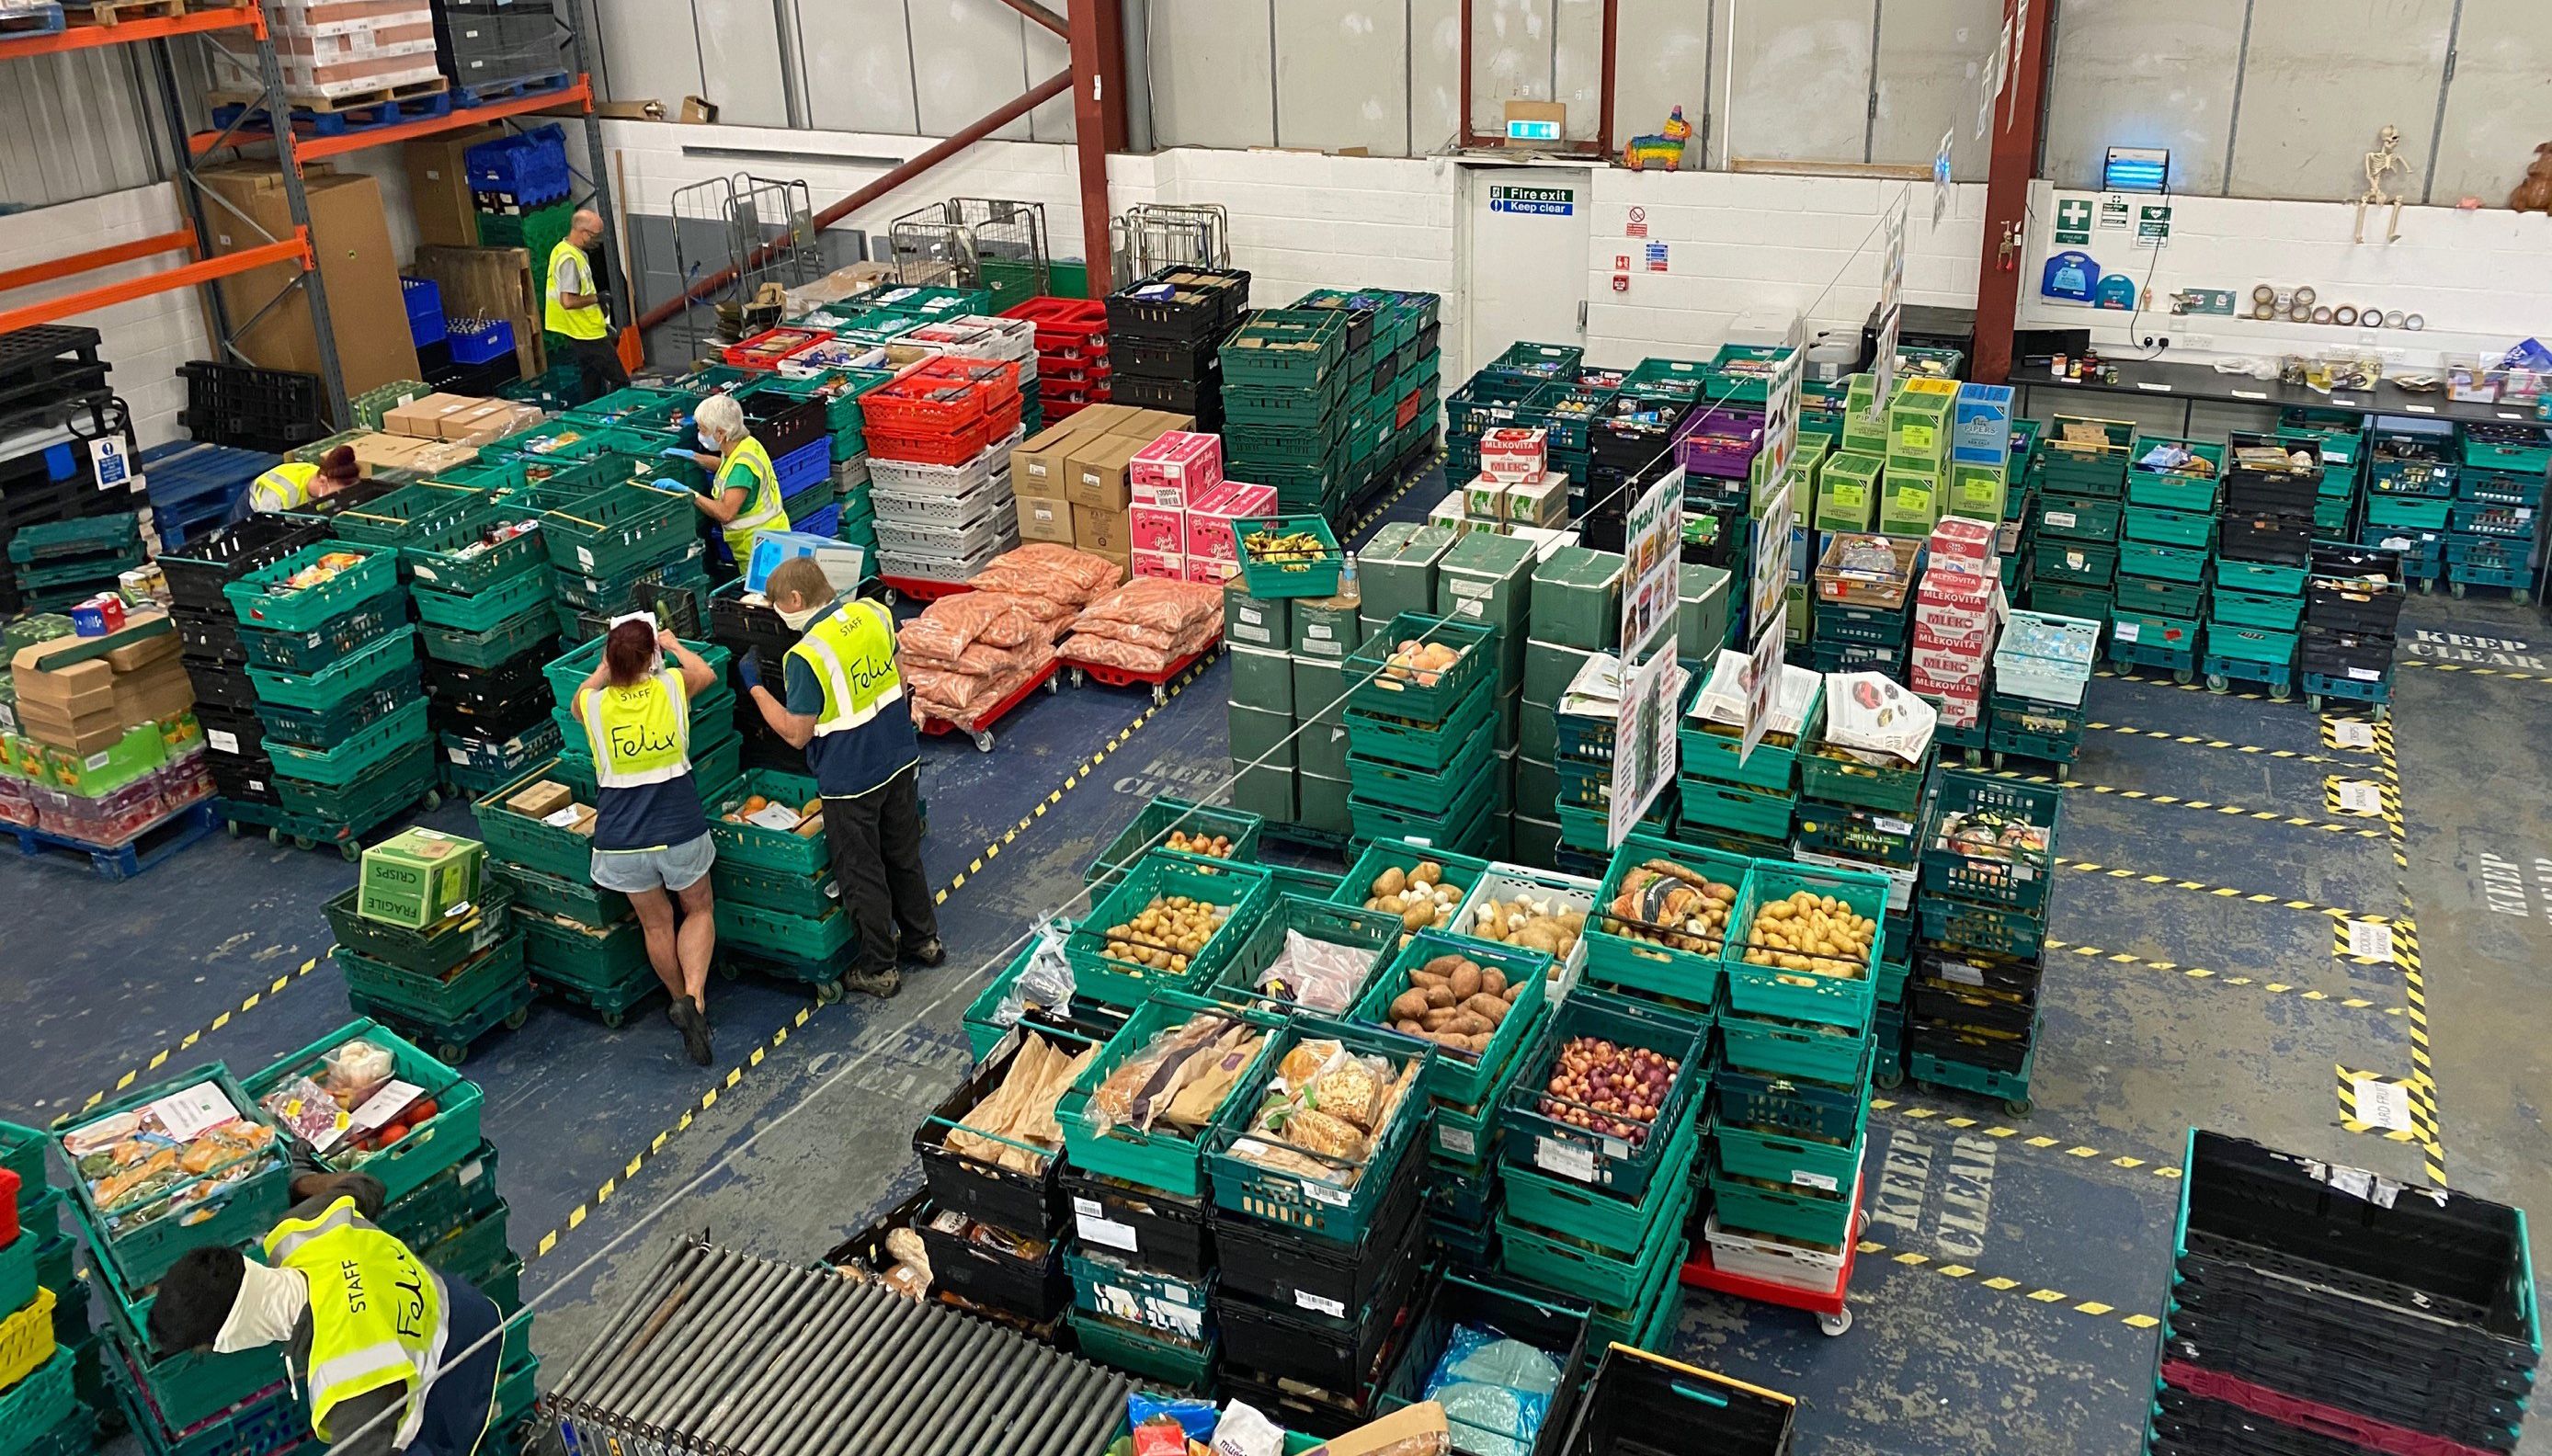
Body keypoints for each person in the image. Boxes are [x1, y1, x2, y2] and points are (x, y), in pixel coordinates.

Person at [147, 1168, 505, 1456]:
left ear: (232, 1335)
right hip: (463, 1306)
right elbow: (366, 1186)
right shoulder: (304, 1227)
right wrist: (300, 1181)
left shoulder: (347, 1373)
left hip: (456, 1371)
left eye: (208, 1349)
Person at [740, 557, 940, 998]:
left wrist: (755, 687)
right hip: (899, 757)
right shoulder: (874, 613)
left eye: (779, 606)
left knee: (861, 872)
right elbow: (901, 676)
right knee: (903, 853)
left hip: (851, 781)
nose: (780, 615)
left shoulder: (806, 655)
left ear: (796, 600)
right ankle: (923, 939)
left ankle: (879, 968)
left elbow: (796, 733)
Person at [577, 616, 723, 1064]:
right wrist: (674, 645)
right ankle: (695, 999)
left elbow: (580, 696)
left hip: (621, 838)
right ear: (651, 657)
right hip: (678, 827)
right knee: (697, 908)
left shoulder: (594, 706)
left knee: (656, 924)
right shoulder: (671, 687)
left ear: (610, 658)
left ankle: (677, 999)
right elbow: (706, 674)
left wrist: (605, 668)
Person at [678, 392, 791, 574]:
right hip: (771, 538)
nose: (700, 435)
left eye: (703, 430)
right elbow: (726, 467)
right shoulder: (745, 444)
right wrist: (695, 458)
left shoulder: (742, 468)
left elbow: (726, 513)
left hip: (761, 550)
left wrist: (691, 494)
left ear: (721, 433)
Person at [546, 208, 628, 404]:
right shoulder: (569, 260)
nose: (597, 241)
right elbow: (568, 301)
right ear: (583, 232)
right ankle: (623, 415)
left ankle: (590, 416)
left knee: (591, 381)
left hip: (582, 329)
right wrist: (597, 299)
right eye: (595, 235)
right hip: (585, 332)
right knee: (621, 382)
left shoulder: (565, 250)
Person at [242, 445, 359, 517]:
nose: (338, 498)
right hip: (252, 507)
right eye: (336, 493)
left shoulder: (324, 473)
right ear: (323, 482)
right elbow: (268, 524)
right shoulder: (279, 495)